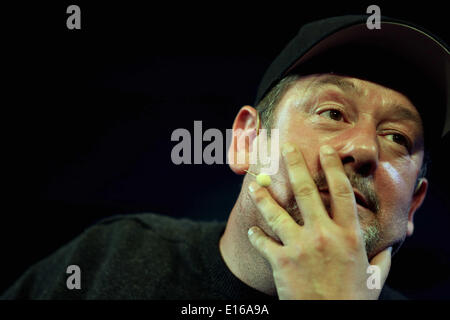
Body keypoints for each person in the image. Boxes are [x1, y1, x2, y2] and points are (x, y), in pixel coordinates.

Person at [2, 15, 449, 300]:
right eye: (332, 113)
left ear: (412, 206)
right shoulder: (111, 258)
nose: (364, 149)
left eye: (396, 138)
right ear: (247, 142)